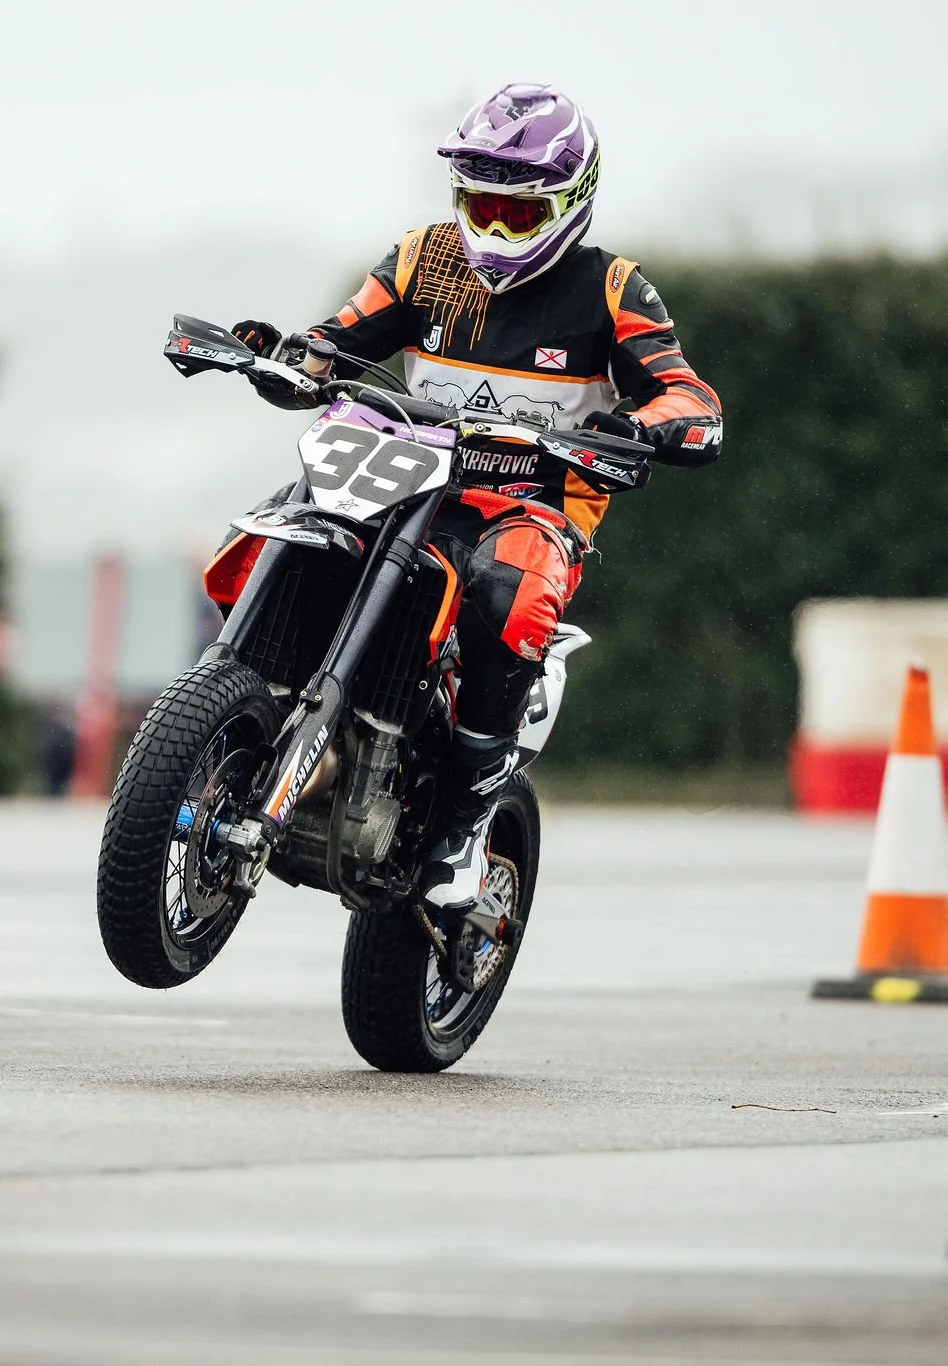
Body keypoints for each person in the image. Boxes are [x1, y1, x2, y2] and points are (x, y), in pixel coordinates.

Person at [228, 83, 723, 912]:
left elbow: (687, 395)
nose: (492, 228)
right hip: (403, 477)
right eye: (479, 204)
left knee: (509, 585)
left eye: (517, 214)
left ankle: (461, 822)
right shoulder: (426, 259)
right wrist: (295, 358)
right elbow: (339, 337)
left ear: (570, 204)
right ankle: (236, 697)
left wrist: (651, 427)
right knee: (294, 509)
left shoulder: (614, 291)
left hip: (529, 509)